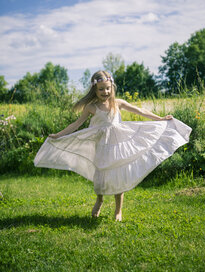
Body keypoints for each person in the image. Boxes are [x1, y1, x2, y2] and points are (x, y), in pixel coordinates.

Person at [34, 70, 192, 221]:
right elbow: (76, 124)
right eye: (101, 89)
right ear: (94, 90)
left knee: (118, 175)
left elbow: (140, 111)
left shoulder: (118, 103)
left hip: (118, 144)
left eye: (107, 88)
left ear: (112, 88)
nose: (105, 92)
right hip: (101, 146)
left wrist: (160, 118)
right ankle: (100, 200)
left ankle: (118, 210)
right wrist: (59, 135)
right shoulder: (91, 107)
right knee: (101, 176)